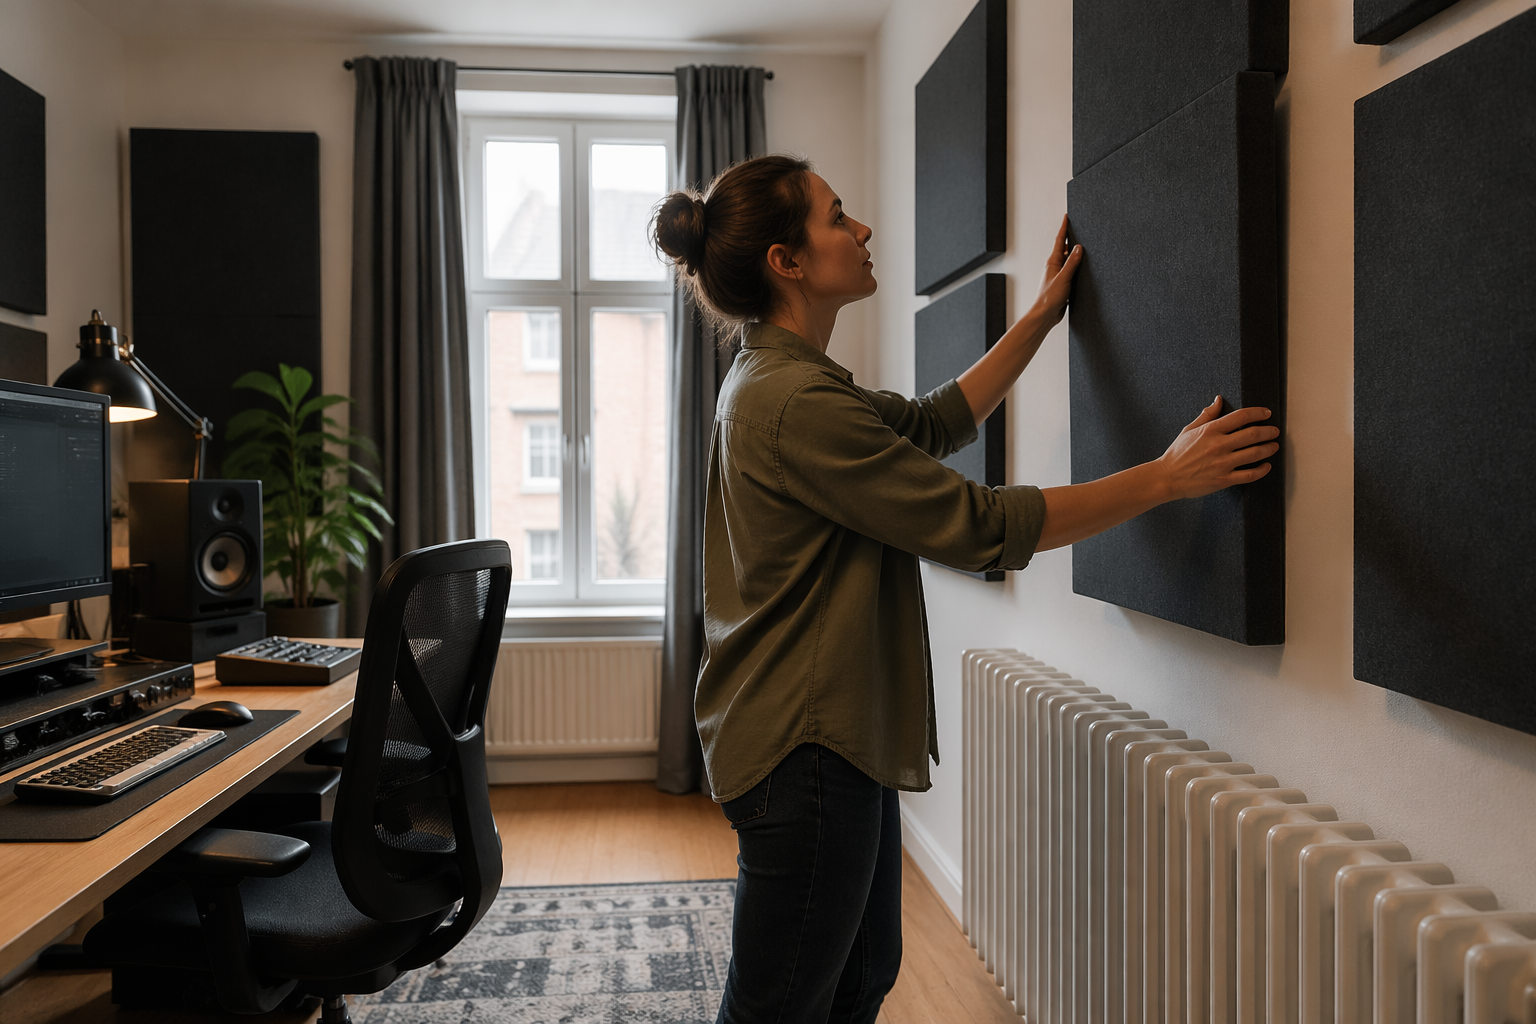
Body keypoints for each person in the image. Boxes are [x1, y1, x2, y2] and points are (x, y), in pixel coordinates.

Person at [651, 155, 1277, 1024]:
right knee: (779, 1008)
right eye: (838, 217)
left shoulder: (790, 381)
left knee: (859, 979)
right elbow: (981, 524)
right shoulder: (791, 401)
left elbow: (935, 421)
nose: (862, 230)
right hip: (805, 748)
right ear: (786, 262)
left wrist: (1041, 317)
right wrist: (1165, 479)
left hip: (831, 741)